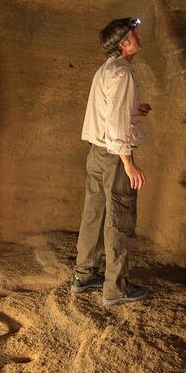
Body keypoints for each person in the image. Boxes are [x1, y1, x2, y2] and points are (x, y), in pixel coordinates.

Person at [72, 17, 152, 306]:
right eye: (134, 34)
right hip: (114, 154)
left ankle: (83, 275)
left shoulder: (107, 69)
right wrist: (129, 164)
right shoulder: (123, 74)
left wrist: (134, 108)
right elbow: (116, 125)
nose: (139, 37)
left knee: (93, 212)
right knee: (119, 215)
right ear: (124, 43)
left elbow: (110, 110)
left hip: (96, 151)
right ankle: (116, 288)